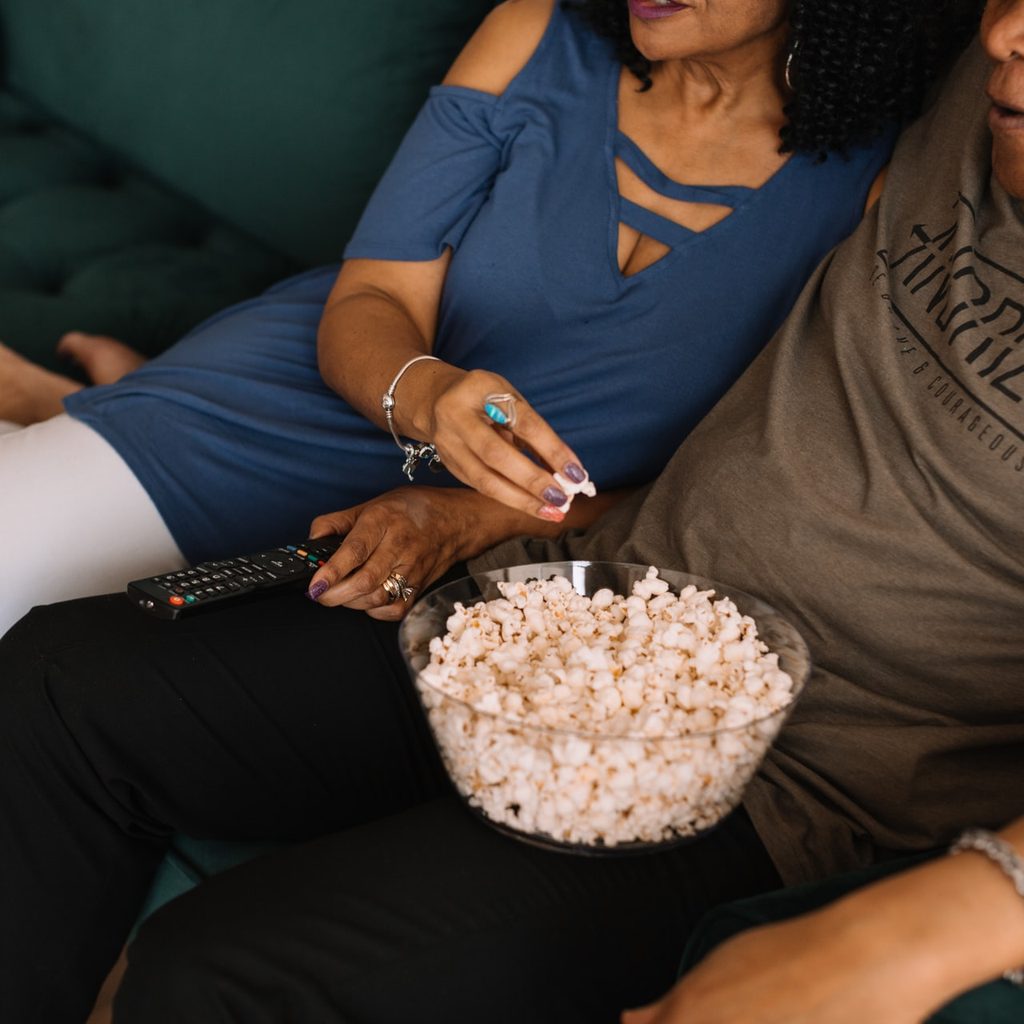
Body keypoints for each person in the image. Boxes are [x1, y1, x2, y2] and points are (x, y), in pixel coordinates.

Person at [1, 1, 1021, 1021]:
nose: (1006, 34)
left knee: (214, 967)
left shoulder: (872, 130)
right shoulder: (958, 104)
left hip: (786, 770)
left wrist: (927, 928)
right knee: (54, 681)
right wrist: (480, 518)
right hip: (572, 602)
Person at [0, 0, 967, 636]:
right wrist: (429, 396)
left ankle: (85, 401)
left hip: (469, 554)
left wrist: (465, 517)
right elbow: (371, 296)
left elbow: (728, 479)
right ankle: (122, 407)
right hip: (266, 417)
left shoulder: (881, 188)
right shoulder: (536, 33)